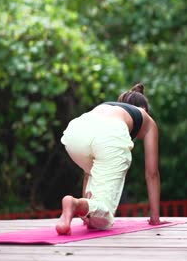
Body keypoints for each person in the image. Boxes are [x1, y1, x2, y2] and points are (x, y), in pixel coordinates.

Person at [56, 83, 165, 234]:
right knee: (105, 219)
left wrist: (86, 214)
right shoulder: (146, 119)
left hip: (76, 131)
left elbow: (89, 174)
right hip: (109, 135)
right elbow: (152, 173)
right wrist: (155, 219)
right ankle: (73, 203)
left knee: (94, 182)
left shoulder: (107, 107)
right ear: (144, 109)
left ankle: (84, 210)